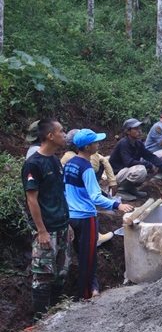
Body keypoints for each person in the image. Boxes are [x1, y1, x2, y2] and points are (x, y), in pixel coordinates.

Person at [64, 129, 134, 300]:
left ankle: (90, 289)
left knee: (80, 255)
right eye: (95, 142)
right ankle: (86, 294)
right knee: (88, 256)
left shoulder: (70, 163)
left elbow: (64, 190)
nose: (98, 144)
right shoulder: (86, 168)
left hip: (71, 216)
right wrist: (118, 204)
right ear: (88, 147)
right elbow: (95, 196)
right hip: (86, 217)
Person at [21, 119, 70, 320]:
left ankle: (58, 313)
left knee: (61, 272)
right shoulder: (33, 164)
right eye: (61, 131)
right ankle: (41, 319)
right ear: (50, 136)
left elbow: (60, 192)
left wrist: (67, 224)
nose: (65, 134)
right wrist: (41, 230)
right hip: (47, 229)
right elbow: (32, 199)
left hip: (62, 226)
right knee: (42, 275)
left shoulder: (55, 160)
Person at [109, 118, 162, 199]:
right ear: (127, 131)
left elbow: (150, 156)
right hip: (115, 175)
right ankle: (120, 190)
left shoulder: (138, 143)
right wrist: (149, 165)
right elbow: (128, 162)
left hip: (125, 172)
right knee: (141, 170)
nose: (139, 131)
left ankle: (130, 188)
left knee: (145, 168)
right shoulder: (124, 143)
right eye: (136, 129)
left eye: (139, 128)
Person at [61, 129, 118, 196]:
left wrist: (112, 182)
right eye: (95, 143)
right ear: (86, 147)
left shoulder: (87, 154)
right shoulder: (69, 156)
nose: (98, 144)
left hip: (89, 178)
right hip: (77, 185)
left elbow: (104, 160)